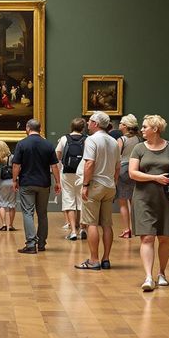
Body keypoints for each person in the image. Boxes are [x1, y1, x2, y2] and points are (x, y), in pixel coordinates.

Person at [128, 115, 169, 291]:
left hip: (165, 198)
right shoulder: (138, 148)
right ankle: (148, 277)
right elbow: (132, 173)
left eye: (145, 127)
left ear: (155, 129)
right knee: (147, 237)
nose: (142, 129)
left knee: (164, 237)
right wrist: (155, 178)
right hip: (144, 198)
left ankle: (161, 272)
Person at [75, 111, 118, 271]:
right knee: (107, 224)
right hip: (109, 185)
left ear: (96, 124)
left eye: (90, 121)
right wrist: (114, 183)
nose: (87, 123)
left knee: (91, 223)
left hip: (95, 184)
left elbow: (89, 164)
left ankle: (94, 260)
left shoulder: (92, 140)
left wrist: (85, 185)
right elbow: (117, 166)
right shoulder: (113, 141)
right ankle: (106, 259)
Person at [12, 118, 59, 254]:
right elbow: (54, 165)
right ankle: (42, 243)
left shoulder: (22, 144)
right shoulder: (48, 144)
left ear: (27, 128)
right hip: (44, 183)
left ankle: (31, 244)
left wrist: (14, 180)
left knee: (28, 213)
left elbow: (16, 165)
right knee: (43, 214)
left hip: (27, 183)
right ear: (40, 128)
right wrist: (58, 182)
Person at [55, 117, 87, 240]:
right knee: (82, 201)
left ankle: (73, 231)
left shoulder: (64, 139)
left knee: (69, 201)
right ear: (83, 128)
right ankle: (83, 228)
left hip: (67, 173)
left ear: (71, 127)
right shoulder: (87, 139)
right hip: (82, 173)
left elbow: (57, 155)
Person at [116, 114, 141, 240]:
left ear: (125, 126)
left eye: (121, 123)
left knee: (122, 201)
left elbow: (116, 156)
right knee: (133, 200)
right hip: (135, 169)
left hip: (123, 169)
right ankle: (136, 228)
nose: (119, 124)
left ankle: (126, 229)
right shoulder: (138, 139)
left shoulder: (121, 140)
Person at [0, 140, 17, 231]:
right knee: (12, 204)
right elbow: (16, 169)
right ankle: (11, 225)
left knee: (2, 203)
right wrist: (15, 180)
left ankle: (3, 224)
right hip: (12, 181)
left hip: (2, 182)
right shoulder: (13, 157)